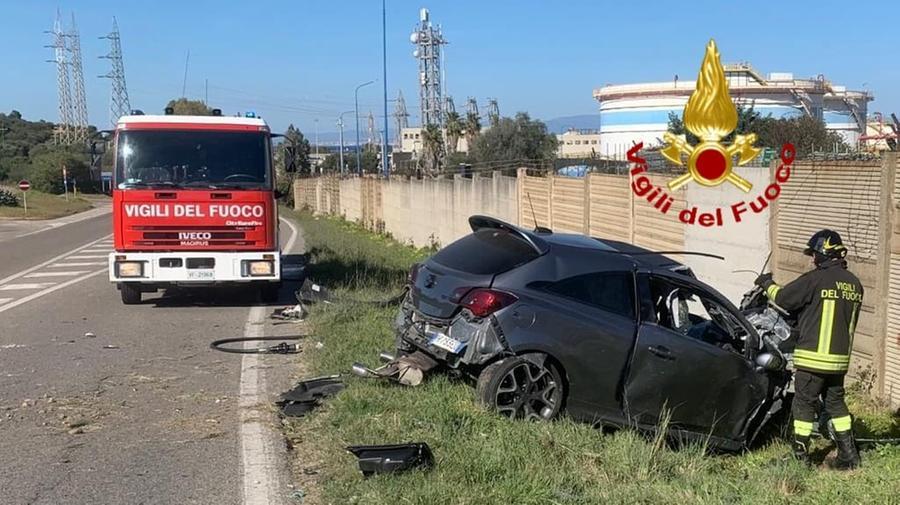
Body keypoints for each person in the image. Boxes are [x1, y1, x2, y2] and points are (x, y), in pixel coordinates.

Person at [755, 229, 863, 470]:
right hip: (839, 362)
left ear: (823, 253)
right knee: (836, 404)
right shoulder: (855, 284)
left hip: (814, 358)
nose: (812, 259)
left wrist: (766, 283)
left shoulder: (815, 280)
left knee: (803, 403)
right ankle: (849, 456)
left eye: (814, 254)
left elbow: (784, 298)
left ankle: (799, 457)